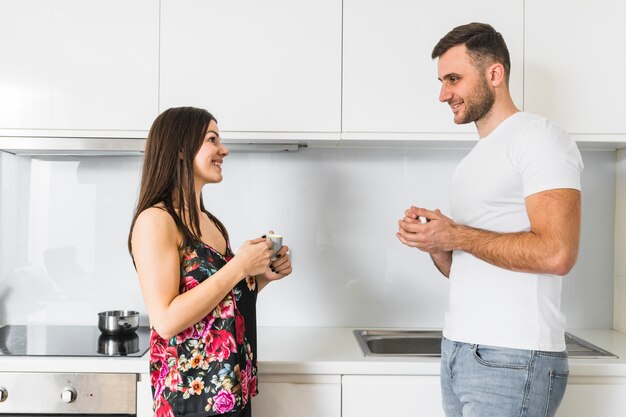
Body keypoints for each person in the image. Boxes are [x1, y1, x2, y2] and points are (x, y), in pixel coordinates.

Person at [396, 23, 583, 417]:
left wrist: (457, 234)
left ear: (494, 74)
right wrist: (436, 241)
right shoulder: (472, 162)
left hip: (513, 356)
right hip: (461, 351)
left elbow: (557, 253)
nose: (443, 93)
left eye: (453, 79)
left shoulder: (539, 137)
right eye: (442, 81)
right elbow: (467, 268)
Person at [128, 106, 293, 417]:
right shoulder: (156, 220)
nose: (224, 150)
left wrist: (261, 276)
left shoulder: (209, 222)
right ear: (180, 150)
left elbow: (222, 302)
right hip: (190, 400)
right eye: (212, 139)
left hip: (230, 393)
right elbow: (165, 321)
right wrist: (239, 267)